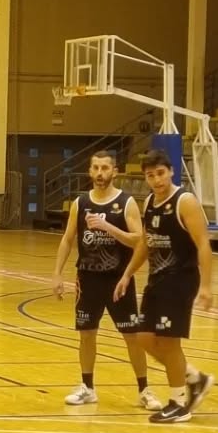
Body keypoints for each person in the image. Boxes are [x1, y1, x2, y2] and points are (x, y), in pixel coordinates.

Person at [51, 149, 159, 411]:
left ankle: (144, 390)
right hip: (87, 278)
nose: (100, 173)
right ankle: (87, 388)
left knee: (132, 336)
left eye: (105, 168)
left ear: (115, 171)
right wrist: (57, 273)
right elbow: (67, 239)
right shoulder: (80, 203)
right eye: (96, 168)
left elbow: (139, 240)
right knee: (87, 334)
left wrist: (107, 227)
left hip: (118, 280)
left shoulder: (126, 202)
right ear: (90, 171)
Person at [114, 148, 215, 424]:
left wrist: (206, 286)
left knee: (169, 342)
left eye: (160, 173)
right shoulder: (149, 202)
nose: (157, 180)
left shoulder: (185, 202)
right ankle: (194, 377)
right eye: (150, 175)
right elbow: (146, 242)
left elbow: (204, 244)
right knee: (143, 337)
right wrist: (127, 274)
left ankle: (179, 403)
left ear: (171, 172)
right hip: (157, 280)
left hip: (180, 280)